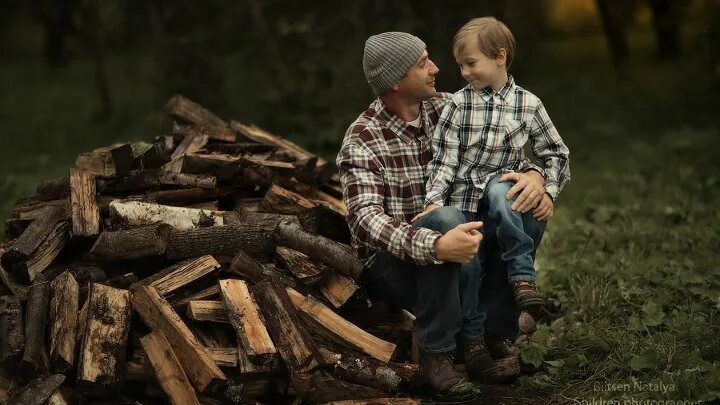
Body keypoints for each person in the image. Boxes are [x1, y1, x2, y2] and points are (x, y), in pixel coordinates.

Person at [336, 31, 548, 400]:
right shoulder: (362, 139)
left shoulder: (451, 108)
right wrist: (435, 244)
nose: (435, 68)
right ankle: (437, 355)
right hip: (395, 264)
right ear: (396, 80)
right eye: (422, 64)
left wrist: (535, 178)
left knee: (523, 207)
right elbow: (364, 220)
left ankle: (494, 334)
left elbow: (505, 156)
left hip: (464, 246)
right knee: (447, 218)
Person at [420, 17, 571, 313]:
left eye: (471, 63)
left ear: (500, 56)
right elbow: (444, 160)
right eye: (460, 65)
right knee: (470, 267)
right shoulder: (458, 104)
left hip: (503, 198)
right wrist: (434, 202)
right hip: (464, 200)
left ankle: (522, 278)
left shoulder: (528, 104)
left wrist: (549, 190)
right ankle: (472, 336)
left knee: (504, 192)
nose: (464, 72)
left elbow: (556, 153)